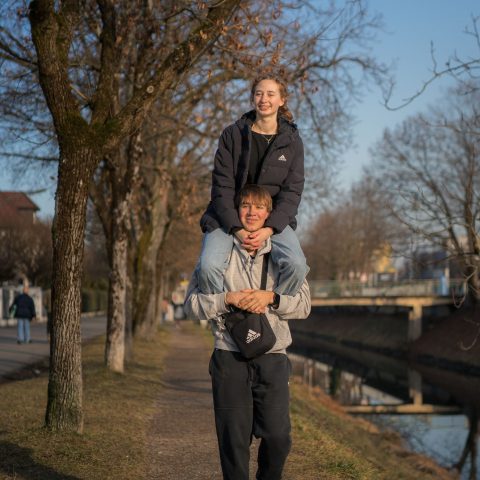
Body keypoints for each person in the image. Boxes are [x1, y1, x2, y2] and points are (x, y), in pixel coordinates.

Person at [185, 185, 311, 480]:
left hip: (273, 355)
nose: (252, 213)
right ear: (236, 211)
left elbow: (304, 306)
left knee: (278, 437)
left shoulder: (285, 256)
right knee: (233, 442)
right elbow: (191, 306)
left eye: (259, 207)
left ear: (270, 214)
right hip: (229, 356)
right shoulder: (215, 256)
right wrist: (226, 300)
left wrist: (272, 299)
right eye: (245, 206)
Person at [199, 73, 309, 297]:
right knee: (208, 266)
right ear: (252, 98)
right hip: (228, 217)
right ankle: (222, 314)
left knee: (297, 265)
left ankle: (268, 308)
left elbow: (292, 192)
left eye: (270, 94)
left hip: (273, 220)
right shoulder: (232, 135)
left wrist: (269, 229)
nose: (264, 99)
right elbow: (222, 188)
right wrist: (237, 230)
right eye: (259, 94)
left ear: (282, 100)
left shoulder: (293, 142)